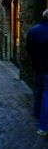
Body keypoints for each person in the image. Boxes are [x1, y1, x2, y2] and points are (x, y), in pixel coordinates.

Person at [26, 8, 48, 136]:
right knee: (46, 96)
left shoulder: (32, 30)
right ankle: (43, 126)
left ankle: (36, 115)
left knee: (38, 92)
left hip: (37, 68)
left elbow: (28, 49)